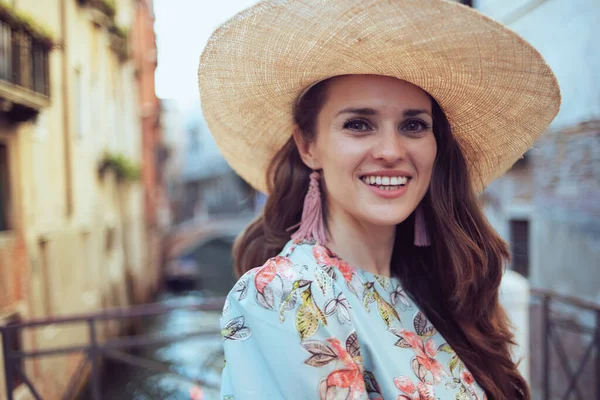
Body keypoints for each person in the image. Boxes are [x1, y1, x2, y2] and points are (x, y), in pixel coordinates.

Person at [197, 0, 560, 399]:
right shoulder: (284, 296)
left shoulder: (437, 286)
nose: (391, 150)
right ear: (308, 146)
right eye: (358, 124)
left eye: (413, 125)